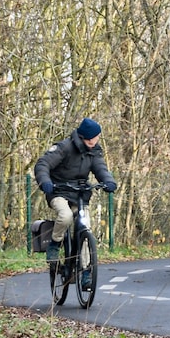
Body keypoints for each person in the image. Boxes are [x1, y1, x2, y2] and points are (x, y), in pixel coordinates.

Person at [34, 118, 118, 278]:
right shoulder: (64, 147)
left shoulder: (94, 151)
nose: (96, 140)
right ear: (84, 137)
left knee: (85, 227)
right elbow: (43, 164)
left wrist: (109, 182)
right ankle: (55, 244)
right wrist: (45, 182)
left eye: (97, 137)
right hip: (58, 191)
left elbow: (100, 168)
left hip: (79, 193)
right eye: (94, 137)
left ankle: (86, 271)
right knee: (65, 216)